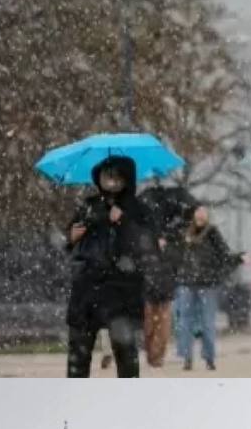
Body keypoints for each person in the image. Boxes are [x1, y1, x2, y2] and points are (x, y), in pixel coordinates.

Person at [65, 156, 155, 378]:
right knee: (79, 351)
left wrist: (124, 222)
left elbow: (149, 245)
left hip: (121, 289)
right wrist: (71, 237)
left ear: (126, 179)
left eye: (116, 177)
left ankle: (127, 400)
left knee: (125, 351)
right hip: (87, 287)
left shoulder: (137, 209)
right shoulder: (89, 205)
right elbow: (70, 239)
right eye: (106, 176)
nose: (111, 182)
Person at [174, 205, 242, 371]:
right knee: (184, 322)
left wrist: (239, 257)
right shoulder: (183, 233)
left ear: (207, 217)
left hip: (208, 284)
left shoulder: (213, 233)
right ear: (193, 216)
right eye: (198, 213)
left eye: (204, 213)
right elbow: (173, 255)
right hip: (186, 283)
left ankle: (209, 358)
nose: (200, 216)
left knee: (207, 322)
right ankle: (187, 358)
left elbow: (225, 255)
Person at [138, 182, 196, 369]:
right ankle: (152, 352)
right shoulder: (145, 237)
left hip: (164, 285)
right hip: (149, 285)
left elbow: (177, 261)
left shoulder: (174, 239)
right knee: (149, 324)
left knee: (163, 323)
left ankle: (158, 356)